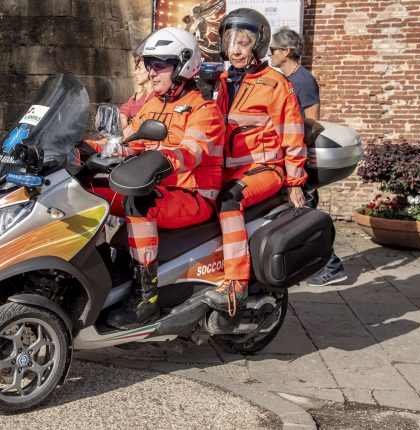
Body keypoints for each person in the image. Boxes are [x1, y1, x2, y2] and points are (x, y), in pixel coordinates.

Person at [86, 26, 225, 329]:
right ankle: (98, 274)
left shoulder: (205, 110)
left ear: (184, 66)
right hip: (156, 187)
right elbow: (125, 140)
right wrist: (84, 147)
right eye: (149, 65)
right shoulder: (152, 103)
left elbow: (191, 153)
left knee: (140, 203)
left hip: (193, 196)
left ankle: (145, 296)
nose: (151, 73)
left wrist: (158, 160)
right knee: (85, 192)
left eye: (160, 65)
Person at [202, 9, 307, 316]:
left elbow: (293, 134)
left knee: (228, 200)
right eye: (230, 41)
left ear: (257, 46)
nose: (235, 49)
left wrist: (295, 182)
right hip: (225, 170)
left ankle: (236, 283)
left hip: (263, 169)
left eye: (243, 42)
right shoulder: (217, 82)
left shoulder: (276, 84)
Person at [270, 28, 348, 287]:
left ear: (287, 52)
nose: (270, 54)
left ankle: (332, 266)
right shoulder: (288, 78)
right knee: (303, 213)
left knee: (306, 214)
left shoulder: (302, 80)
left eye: (273, 50)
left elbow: (312, 121)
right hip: (292, 157)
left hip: (300, 157)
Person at [119, 54, 154, 129]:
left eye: (139, 68)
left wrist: (129, 120)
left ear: (150, 70)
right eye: (135, 69)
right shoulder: (135, 98)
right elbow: (121, 119)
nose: (135, 72)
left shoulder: (159, 96)